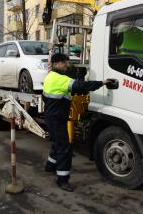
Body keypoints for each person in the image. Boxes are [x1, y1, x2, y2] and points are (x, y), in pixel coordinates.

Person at [43, 53, 111, 192]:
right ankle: (62, 180)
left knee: (57, 143)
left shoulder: (49, 77)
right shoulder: (60, 79)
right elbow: (81, 86)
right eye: (64, 63)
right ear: (57, 64)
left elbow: (45, 98)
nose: (67, 65)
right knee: (65, 148)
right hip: (57, 119)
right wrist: (102, 83)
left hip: (52, 117)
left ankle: (49, 166)